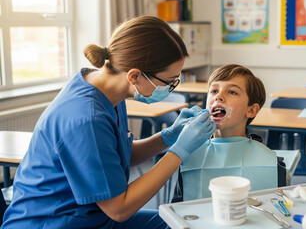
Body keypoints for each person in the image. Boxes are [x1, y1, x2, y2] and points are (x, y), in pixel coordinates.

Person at [2, 16, 216, 228]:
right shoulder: (86, 118)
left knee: (182, 222)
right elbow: (119, 209)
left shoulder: (107, 90)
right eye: (169, 82)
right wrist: (179, 152)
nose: (171, 89)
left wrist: (168, 136)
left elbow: (116, 156)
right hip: (54, 223)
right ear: (134, 76)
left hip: (91, 216)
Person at [179, 64, 278, 201]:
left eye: (232, 92)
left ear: (251, 110)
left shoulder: (272, 162)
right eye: (214, 91)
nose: (218, 97)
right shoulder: (188, 157)